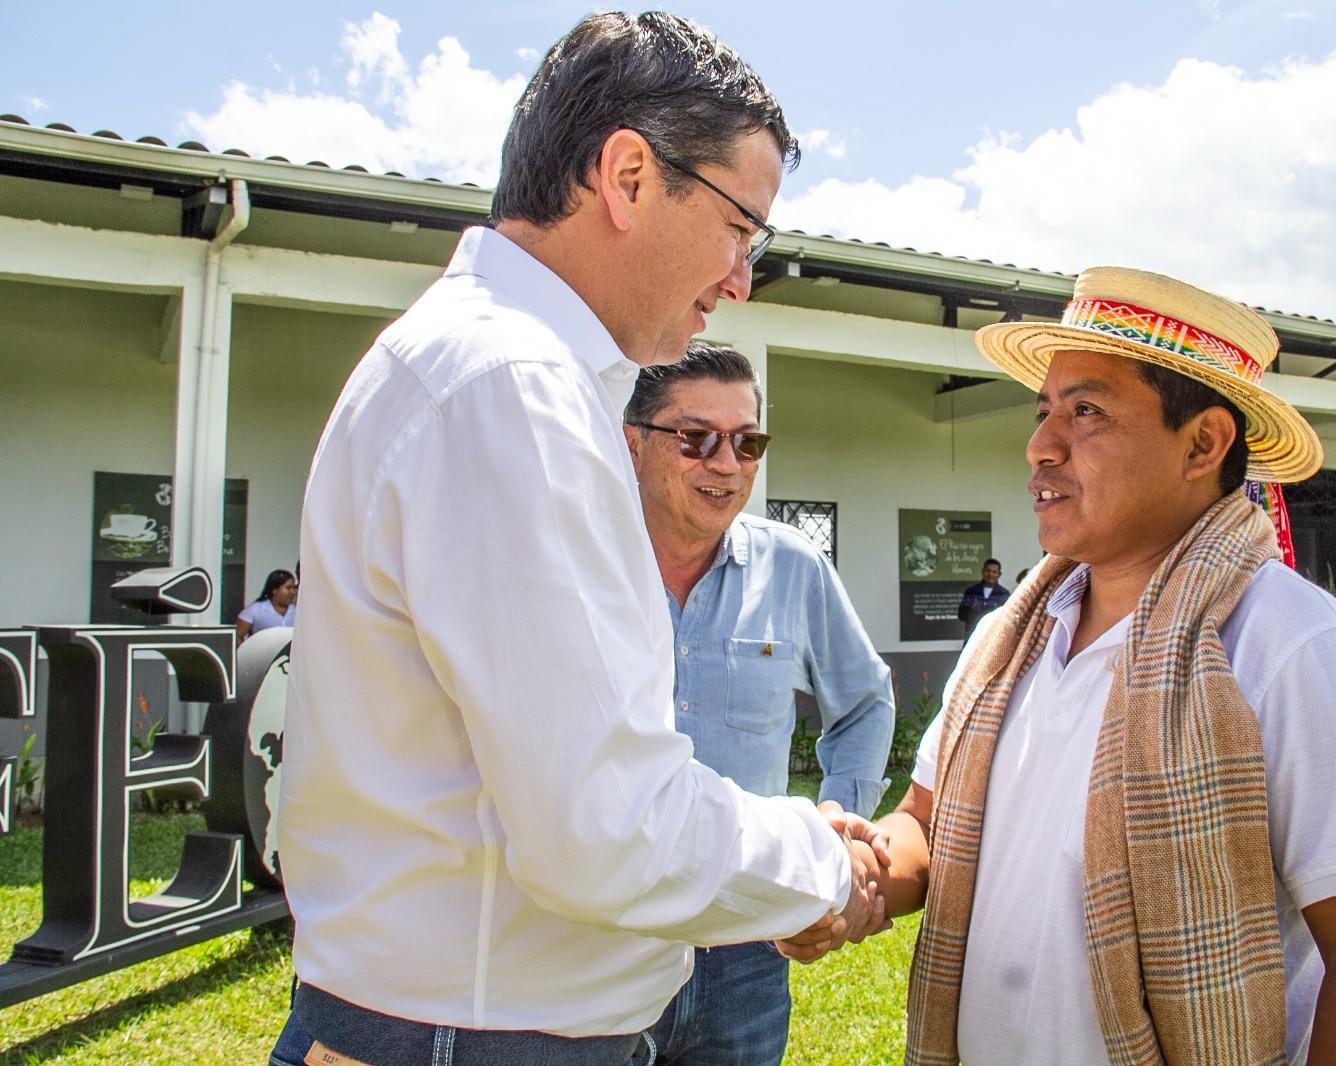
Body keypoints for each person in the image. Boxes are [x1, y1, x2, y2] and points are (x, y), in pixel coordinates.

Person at [271, 14, 884, 1066]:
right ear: (629, 177)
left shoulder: (478, 368)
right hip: (476, 1037)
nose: (742, 279)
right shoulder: (513, 388)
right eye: (743, 228)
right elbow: (608, 825)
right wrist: (825, 863)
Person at [786, 266, 1336, 1066]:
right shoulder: (1009, 639)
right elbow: (926, 823)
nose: (1040, 446)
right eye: (1043, 412)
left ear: (1203, 443)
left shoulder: (1297, 647)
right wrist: (854, 872)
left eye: (1086, 411)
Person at [624, 341, 895, 1065]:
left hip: (745, 940)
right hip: (607, 936)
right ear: (633, 443)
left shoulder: (793, 565)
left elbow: (866, 701)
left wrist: (834, 821)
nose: (726, 463)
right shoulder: (585, 562)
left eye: (746, 443)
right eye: (696, 438)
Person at [235, 568, 296, 641]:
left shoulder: (298, 612)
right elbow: (237, 636)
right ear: (274, 590)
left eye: (293, 588)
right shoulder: (254, 610)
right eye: (288, 588)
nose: (292, 592)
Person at [956, 558, 1009, 640]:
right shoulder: (972, 591)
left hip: (995, 638)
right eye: (988, 571)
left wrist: (978, 611)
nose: (990, 574)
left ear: (999, 574)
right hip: (973, 638)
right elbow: (962, 615)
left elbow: (1007, 618)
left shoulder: (1004, 594)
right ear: (982, 571)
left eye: (994, 572)